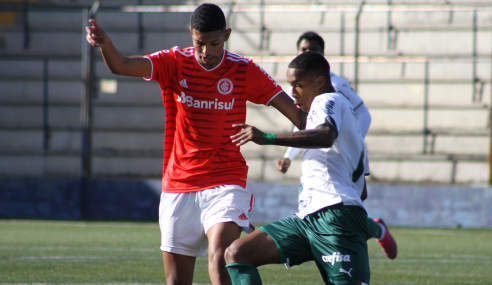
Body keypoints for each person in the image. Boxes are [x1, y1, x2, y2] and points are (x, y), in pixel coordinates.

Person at [85, 4, 306, 285]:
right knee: (177, 281)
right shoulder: (175, 62)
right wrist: (106, 45)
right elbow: (122, 65)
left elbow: (298, 117)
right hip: (179, 185)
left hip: (225, 181)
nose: (206, 52)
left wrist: (329, 122)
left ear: (226, 35)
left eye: (214, 43)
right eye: (199, 43)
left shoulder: (243, 71)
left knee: (221, 259)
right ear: (191, 34)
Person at [225, 51, 371, 285]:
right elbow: (362, 192)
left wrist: (268, 137)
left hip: (335, 219)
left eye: (298, 86)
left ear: (320, 82)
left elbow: (325, 135)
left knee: (238, 254)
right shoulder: (349, 127)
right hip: (308, 220)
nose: (293, 94)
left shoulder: (328, 100)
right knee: (237, 253)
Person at [277, 31, 396, 260]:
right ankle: (375, 230)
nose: (307, 52)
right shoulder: (303, 85)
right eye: (303, 50)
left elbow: (363, 114)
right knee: (319, 206)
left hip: (341, 154)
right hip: (321, 151)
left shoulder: (337, 84)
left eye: (313, 49)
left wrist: (352, 141)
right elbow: (306, 123)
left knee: (346, 207)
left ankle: (367, 235)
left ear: (322, 54)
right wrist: (289, 156)